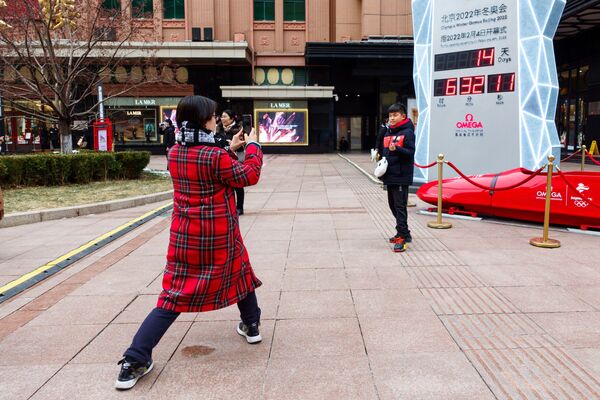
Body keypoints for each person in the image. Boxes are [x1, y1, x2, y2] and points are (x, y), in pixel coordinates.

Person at [115, 95, 264, 390]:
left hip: (185, 236)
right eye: (212, 116)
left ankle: (135, 359)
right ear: (203, 120)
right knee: (239, 272)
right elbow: (249, 175)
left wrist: (229, 147)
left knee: (173, 295)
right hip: (220, 233)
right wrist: (253, 146)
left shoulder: (175, 152)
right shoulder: (215, 156)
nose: (215, 119)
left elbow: (204, 158)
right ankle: (252, 324)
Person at [378, 103, 415, 253]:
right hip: (390, 175)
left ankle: (402, 237)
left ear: (403, 116)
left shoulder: (408, 132)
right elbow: (386, 153)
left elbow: (410, 152)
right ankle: (404, 232)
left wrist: (397, 149)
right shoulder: (388, 132)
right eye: (390, 115)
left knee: (400, 207)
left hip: (401, 175)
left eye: (395, 115)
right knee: (393, 205)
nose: (392, 118)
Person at [216, 109, 246, 215]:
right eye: (222, 116)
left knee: (238, 183)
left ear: (232, 118)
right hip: (223, 157)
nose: (222, 119)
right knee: (226, 184)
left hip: (237, 156)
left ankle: (239, 207)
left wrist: (233, 144)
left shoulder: (239, 129)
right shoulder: (217, 128)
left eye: (225, 116)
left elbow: (243, 143)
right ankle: (229, 206)